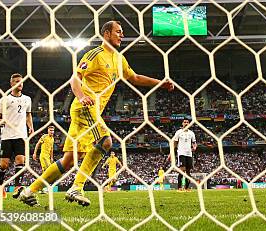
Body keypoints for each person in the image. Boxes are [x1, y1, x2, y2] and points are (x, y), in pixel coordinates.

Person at [18, 20, 174, 206]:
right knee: (105, 141)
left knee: (69, 160)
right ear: (106, 33)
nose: (122, 35)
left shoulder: (119, 59)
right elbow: (75, 78)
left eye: (122, 32)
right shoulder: (95, 54)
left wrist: (160, 83)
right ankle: (77, 187)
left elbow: (135, 77)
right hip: (85, 107)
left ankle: (29, 191)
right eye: (118, 31)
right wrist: (82, 96)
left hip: (89, 110)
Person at [0, 73, 33, 199]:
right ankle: (1, 187)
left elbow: (28, 115)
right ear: (11, 84)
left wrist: (31, 127)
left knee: (20, 160)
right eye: (16, 81)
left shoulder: (27, 99)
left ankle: (17, 187)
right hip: (7, 135)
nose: (19, 83)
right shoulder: (4, 99)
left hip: (21, 134)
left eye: (20, 81)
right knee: (4, 164)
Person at [170, 119, 196, 192]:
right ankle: (179, 187)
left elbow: (194, 142)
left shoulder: (191, 133)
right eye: (185, 122)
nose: (186, 123)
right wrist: (171, 152)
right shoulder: (178, 132)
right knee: (182, 170)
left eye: (187, 122)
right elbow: (175, 142)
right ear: (182, 123)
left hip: (189, 154)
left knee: (188, 171)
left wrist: (194, 147)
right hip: (181, 153)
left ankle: (187, 188)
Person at [32, 125, 55, 193]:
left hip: (48, 157)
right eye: (50, 130)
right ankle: (45, 187)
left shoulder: (52, 139)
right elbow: (37, 144)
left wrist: (51, 157)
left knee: (45, 173)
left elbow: (51, 149)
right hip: (43, 156)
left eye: (53, 130)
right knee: (48, 172)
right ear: (48, 131)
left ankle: (41, 188)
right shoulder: (44, 136)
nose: (52, 132)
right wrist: (34, 153)